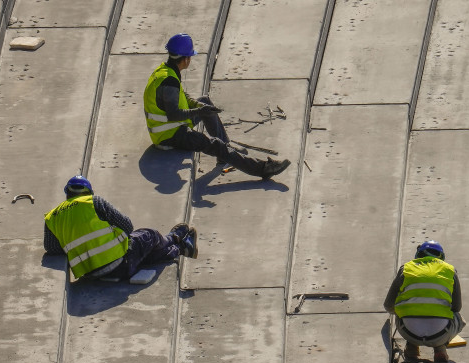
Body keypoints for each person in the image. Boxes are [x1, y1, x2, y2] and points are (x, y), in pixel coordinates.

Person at [143, 33, 291, 179]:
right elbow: (174, 114)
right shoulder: (169, 81)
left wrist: (201, 106)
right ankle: (263, 169)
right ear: (185, 59)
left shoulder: (166, 71)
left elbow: (183, 97)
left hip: (170, 128)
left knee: (205, 102)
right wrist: (200, 111)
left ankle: (225, 150)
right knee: (214, 144)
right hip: (169, 136)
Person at [44, 175, 197, 281]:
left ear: (67, 194)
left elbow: (52, 248)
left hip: (89, 274)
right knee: (148, 235)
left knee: (144, 253)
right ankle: (174, 238)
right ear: (89, 193)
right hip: (119, 264)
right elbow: (127, 226)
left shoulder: (52, 216)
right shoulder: (94, 202)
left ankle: (182, 248)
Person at [383, 240, 465, 363]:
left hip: (409, 332)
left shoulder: (406, 269)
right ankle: (440, 349)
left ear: (418, 255)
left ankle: (412, 347)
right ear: (441, 257)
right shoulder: (450, 270)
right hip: (440, 335)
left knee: (401, 311)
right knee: (459, 319)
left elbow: (388, 305)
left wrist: (403, 311)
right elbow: (457, 307)